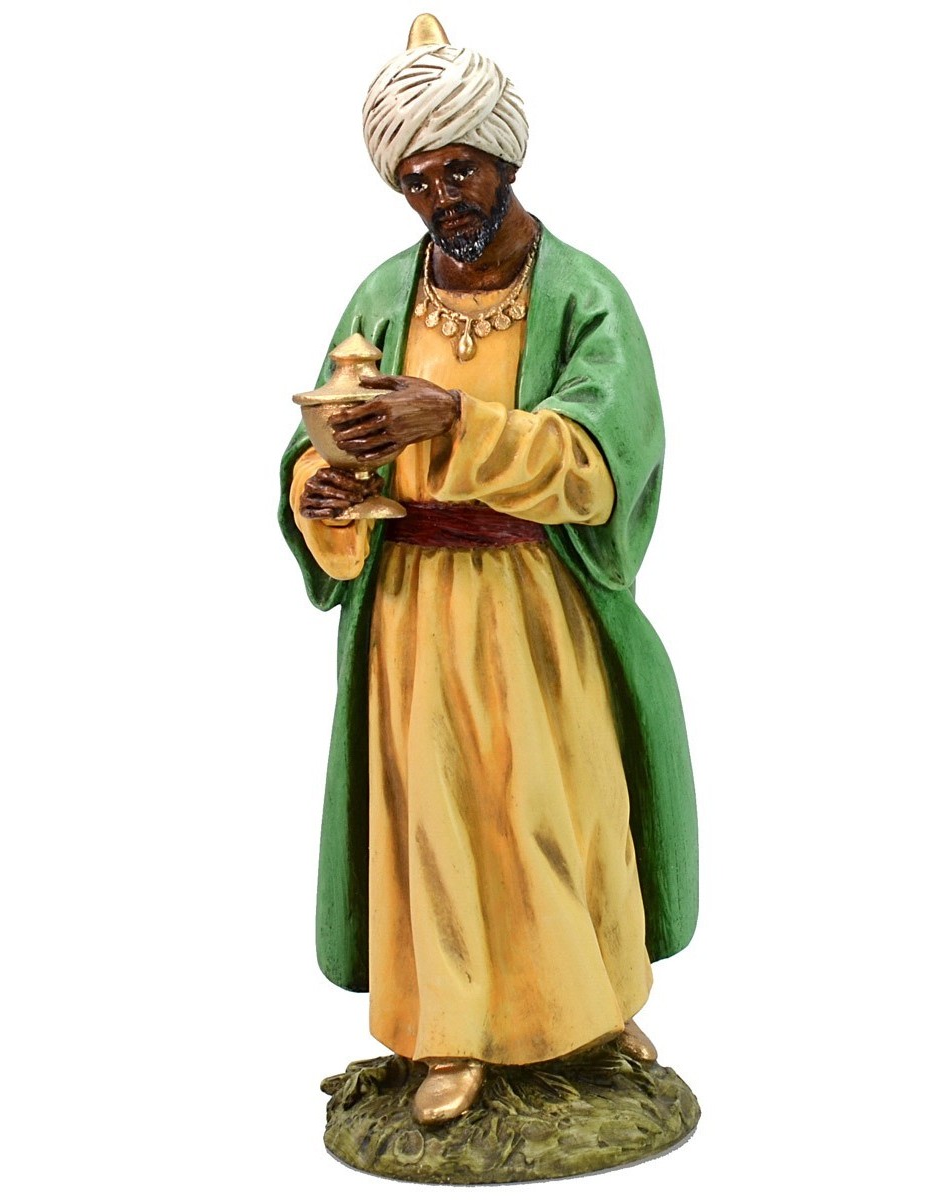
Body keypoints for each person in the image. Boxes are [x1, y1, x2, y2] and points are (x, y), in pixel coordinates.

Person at [279, 14, 698, 1125]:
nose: (440, 197)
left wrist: (458, 422)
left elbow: (601, 465)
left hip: (536, 605)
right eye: (416, 180)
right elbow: (320, 442)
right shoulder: (384, 295)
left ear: (503, 157)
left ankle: (593, 1007)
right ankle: (452, 1035)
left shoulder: (587, 296)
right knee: (437, 821)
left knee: (563, 811)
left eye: (457, 168)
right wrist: (323, 492)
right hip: (414, 613)